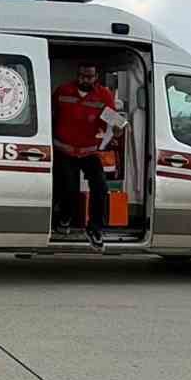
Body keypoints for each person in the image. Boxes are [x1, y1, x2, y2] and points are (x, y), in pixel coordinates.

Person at [53, 62, 122, 248]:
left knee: (100, 187)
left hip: (89, 152)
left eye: (89, 76)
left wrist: (117, 130)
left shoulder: (103, 95)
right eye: (82, 76)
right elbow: (50, 116)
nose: (85, 80)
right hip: (64, 150)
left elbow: (116, 123)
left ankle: (95, 228)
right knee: (69, 189)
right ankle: (64, 219)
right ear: (78, 75)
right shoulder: (63, 91)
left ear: (96, 77)